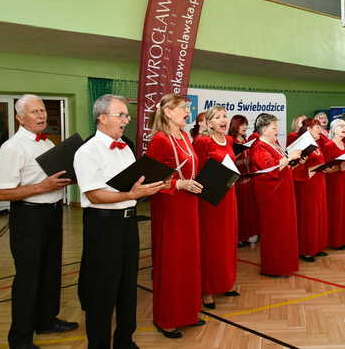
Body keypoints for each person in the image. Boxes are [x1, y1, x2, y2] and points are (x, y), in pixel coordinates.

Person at [74, 94, 164, 349]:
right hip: (103, 225)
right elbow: (93, 194)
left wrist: (155, 184)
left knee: (127, 285)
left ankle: (125, 340)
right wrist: (131, 195)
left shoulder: (126, 147)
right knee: (102, 290)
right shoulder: (87, 151)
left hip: (128, 223)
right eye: (121, 115)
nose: (126, 120)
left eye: (127, 115)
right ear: (102, 118)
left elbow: (134, 184)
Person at [0, 94, 78, 349]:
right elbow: (1, 192)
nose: (41, 116)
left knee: (51, 271)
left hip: (52, 213)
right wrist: (41, 187)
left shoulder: (47, 144)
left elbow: (56, 176)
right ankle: (20, 339)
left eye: (42, 111)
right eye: (34, 112)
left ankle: (46, 321)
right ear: (20, 117)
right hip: (28, 216)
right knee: (28, 278)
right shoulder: (12, 147)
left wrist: (70, 177)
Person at [145, 94, 204, 339]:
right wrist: (178, 184)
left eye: (188, 108)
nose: (187, 113)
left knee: (188, 259)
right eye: (183, 108)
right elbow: (150, 178)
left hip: (188, 203)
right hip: (170, 205)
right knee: (172, 260)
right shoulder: (160, 140)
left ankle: (188, 312)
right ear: (168, 111)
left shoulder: (185, 136)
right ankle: (167, 317)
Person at [193, 106, 239, 308]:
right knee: (212, 243)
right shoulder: (202, 142)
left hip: (229, 195)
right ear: (209, 123)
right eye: (218, 117)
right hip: (211, 199)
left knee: (228, 241)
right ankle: (207, 289)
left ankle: (225, 282)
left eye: (225, 116)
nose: (223, 120)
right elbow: (198, 171)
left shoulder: (229, 140)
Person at [249, 113, 301, 276]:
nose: (277, 130)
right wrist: (289, 158)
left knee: (285, 230)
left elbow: (281, 166)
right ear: (264, 129)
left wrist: (292, 162)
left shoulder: (273, 144)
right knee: (275, 231)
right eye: (274, 127)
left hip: (283, 192)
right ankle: (274, 267)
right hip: (272, 196)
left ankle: (285, 265)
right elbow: (268, 168)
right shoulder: (259, 146)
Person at [292, 119, 329, 262]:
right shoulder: (302, 145)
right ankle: (306, 249)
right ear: (308, 129)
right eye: (317, 127)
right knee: (309, 218)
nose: (320, 130)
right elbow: (296, 169)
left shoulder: (316, 144)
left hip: (318, 183)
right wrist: (315, 169)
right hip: (307, 185)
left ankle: (317, 246)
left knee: (318, 216)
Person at [322, 119, 345, 249]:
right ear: (333, 129)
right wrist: (339, 169)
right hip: (334, 183)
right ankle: (335, 241)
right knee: (337, 210)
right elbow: (325, 169)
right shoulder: (329, 145)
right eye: (340, 126)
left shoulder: (343, 143)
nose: (344, 128)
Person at [229, 115, 259, 246]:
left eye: (246, 124)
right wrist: (240, 160)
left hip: (248, 179)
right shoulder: (231, 140)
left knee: (248, 209)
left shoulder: (246, 140)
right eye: (242, 125)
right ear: (235, 125)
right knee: (240, 210)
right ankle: (239, 237)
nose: (245, 127)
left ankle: (247, 235)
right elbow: (229, 160)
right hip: (237, 181)